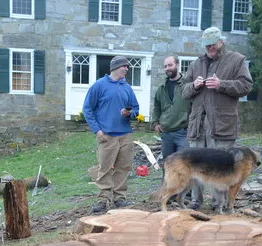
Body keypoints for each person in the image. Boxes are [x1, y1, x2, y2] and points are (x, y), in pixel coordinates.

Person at [182, 26, 253, 210]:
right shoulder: (196, 64)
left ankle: (218, 205)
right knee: (195, 163)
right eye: (206, 46)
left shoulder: (237, 60)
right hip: (198, 125)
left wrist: (222, 85)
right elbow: (184, 91)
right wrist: (194, 86)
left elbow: (246, 86)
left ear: (221, 41)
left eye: (212, 45)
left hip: (222, 125)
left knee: (221, 167)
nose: (209, 49)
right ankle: (196, 202)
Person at [82, 55, 140, 214]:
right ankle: (102, 199)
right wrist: (97, 130)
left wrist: (129, 114)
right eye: (125, 66)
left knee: (124, 167)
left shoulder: (127, 88)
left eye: (128, 67)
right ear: (116, 67)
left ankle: (119, 198)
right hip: (106, 135)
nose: (127, 69)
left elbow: (136, 109)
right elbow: (87, 109)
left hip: (126, 134)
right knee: (105, 168)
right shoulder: (99, 86)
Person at [152, 55, 191, 169]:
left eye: (170, 65)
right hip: (166, 133)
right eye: (165, 66)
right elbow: (156, 107)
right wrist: (155, 123)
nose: (167, 68)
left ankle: (184, 188)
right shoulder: (161, 88)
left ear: (177, 65)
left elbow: (195, 107)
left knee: (183, 167)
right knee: (167, 167)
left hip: (183, 133)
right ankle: (167, 187)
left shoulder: (187, 86)